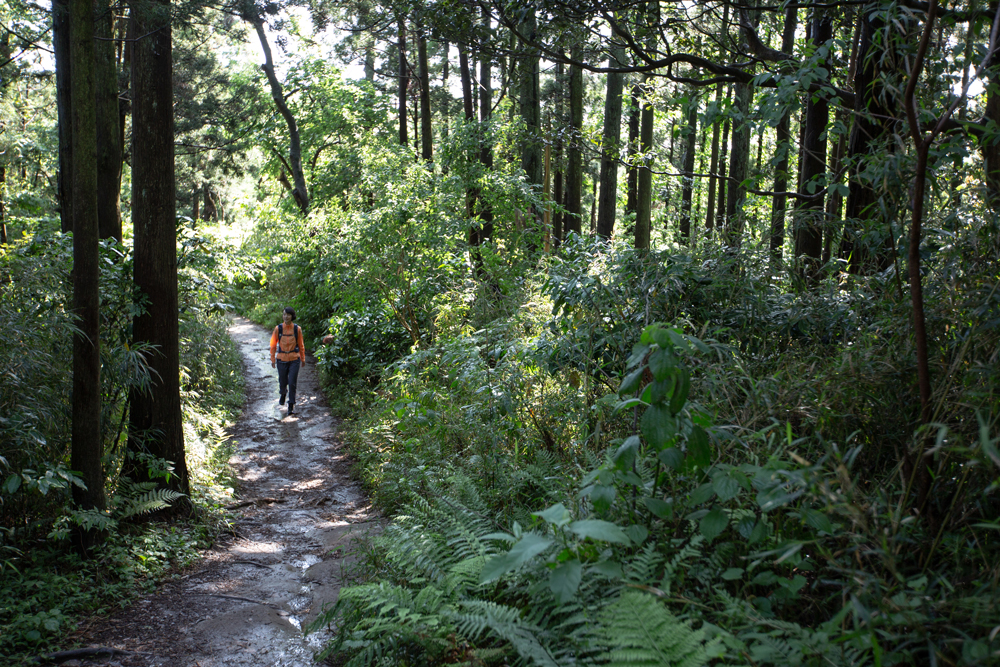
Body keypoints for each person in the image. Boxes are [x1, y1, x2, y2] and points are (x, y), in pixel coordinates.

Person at [270, 307, 306, 414]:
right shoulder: (278, 329)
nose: (286, 317)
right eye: (284, 314)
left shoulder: (297, 329)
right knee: (283, 381)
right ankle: (283, 393)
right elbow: (273, 345)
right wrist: (272, 359)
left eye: (288, 315)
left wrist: (303, 359)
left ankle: (291, 404)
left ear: (292, 316)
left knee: (292, 382)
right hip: (281, 359)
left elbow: (301, 345)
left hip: (294, 359)